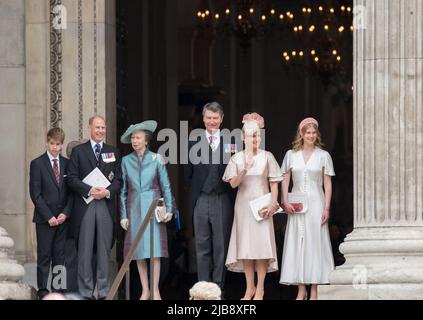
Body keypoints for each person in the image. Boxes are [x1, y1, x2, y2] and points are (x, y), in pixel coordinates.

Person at [222, 113, 282, 300]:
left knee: (262, 246)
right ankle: (249, 288)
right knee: (246, 247)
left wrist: (273, 203)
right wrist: (245, 168)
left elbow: (274, 182)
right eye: (251, 135)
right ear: (243, 137)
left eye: (257, 135)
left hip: (262, 206)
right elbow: (232, 184)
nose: (255, 139)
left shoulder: (267, 156)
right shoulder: (237, 158)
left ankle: (261, 288)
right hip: (243, 205)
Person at [279, 117, 335, 300]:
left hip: (316, 204)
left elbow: (327, 183)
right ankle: (301, 289)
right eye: (307, 132)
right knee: (299, 243)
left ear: (316, 134)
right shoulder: (290, 155)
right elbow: (285, 179)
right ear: (301, 134)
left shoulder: (323, 155)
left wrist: (326, 207)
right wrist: (284, 201)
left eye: (313, 132)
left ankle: (315, 289)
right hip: (296, 205)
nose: (311, 136)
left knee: (315, 244)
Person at [67, 115, 122, 300]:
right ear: (89, 128)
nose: (100, 131)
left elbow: (120, 180)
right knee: (84, 251)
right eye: (97, 127)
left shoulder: (113, 151)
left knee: (104, 250)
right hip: (86, 206)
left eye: (103, 128)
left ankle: (104, 292)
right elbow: (72, 178)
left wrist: (106, 192)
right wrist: (90, 189)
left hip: (105, 204)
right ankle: (85, 292)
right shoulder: (78, 152)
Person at [119, 120, 175, 300]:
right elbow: (122, 191)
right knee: (139, 251)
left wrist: (170, 209)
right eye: (133, 138)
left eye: (138, 138)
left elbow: (166, 186)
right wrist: (123, 215)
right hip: (134, 207)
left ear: (146, 140)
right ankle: (145, 289)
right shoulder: (125, 161)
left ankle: (155, 288)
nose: (135, 141)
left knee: (155, 250)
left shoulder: (156, 158)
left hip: (153, 207)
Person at [184, 102, 234, 291]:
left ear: (221, 119)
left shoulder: (231, 142)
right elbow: (187, 173)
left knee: (221, 247)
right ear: (203, 119)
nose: (212, 121)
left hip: (222, 198)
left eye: (215, 118)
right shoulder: (192, 142)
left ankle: (218, 290)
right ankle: (204, 290)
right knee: (201, 245)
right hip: (201, 199)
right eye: (208, 118)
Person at [29, 127, 73, 300]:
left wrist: (65, 214)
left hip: (62, 219)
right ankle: (42, 290)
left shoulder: (68, 164)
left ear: (62, 145)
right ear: (47, 142)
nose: (55, 147)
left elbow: (71, 193)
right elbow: (35, 194)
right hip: (44, 219)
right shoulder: (37, 163)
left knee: (60, 257)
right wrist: (49, 216)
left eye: (58, 144)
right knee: (45, 255)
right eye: (52, 143)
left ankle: (58, 290)